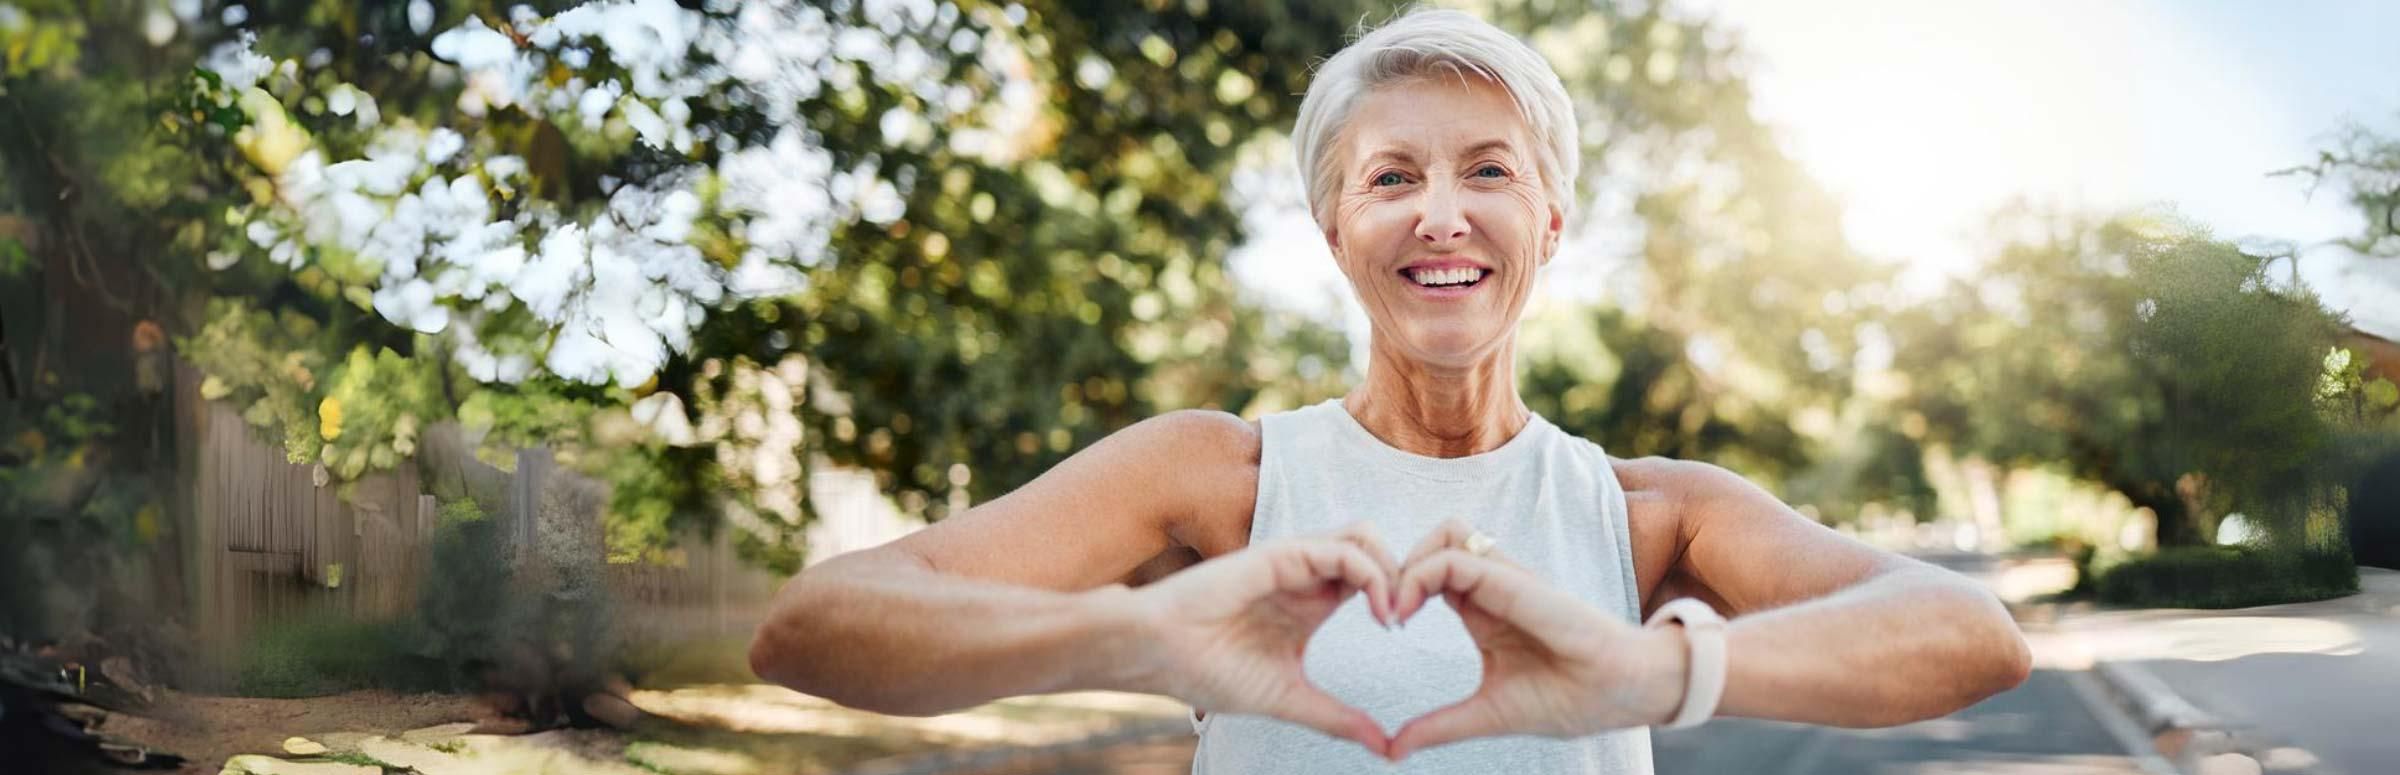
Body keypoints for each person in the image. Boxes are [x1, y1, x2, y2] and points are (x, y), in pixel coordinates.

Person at [748, 8, 2031, 773]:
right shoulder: (1215, 477)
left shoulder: (1650, 513)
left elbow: (1972, 637)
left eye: (1487, 170)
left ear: (1548, 218)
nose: (1442, 213)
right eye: (1390, 177)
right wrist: (1139, 636)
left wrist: (1652, 673)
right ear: (1333, 230)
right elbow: (812, 625)